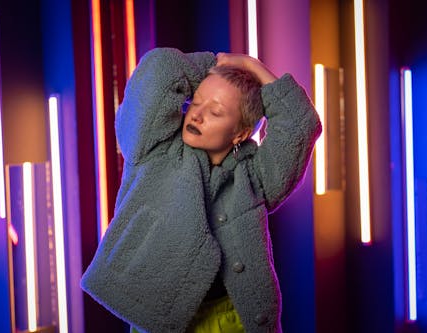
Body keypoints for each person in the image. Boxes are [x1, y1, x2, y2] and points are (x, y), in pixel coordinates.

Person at [81, 47, 321, 333]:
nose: (197, 115)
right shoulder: (153, 147)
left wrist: (250, 65)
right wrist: (213, 64)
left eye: (216, 111)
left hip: (235, 319)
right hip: (164, 323)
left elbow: (300, 125)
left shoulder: (254, 176)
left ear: (241, 133)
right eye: (195, 101)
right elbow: (158, 72)